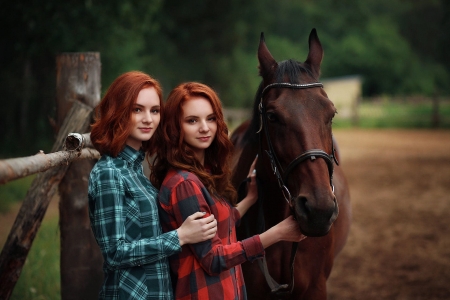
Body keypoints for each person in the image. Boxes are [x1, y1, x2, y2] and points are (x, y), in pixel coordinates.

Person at [150, 82, 306, 300]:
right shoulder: (184, 184)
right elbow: (213, 259)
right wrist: (277, 233)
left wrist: (249, 199)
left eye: (210, 118)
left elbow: (216, 225)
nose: (205, 127)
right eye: (192, 120)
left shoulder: (201, 174)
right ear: (176, 127)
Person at [88, 72, 217, 300]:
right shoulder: (109, 172)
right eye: (137, 109)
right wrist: (180, 236)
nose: (148, 119)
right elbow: (115, 253)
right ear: (117, 111)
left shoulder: (135, 168)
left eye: (154, 111)